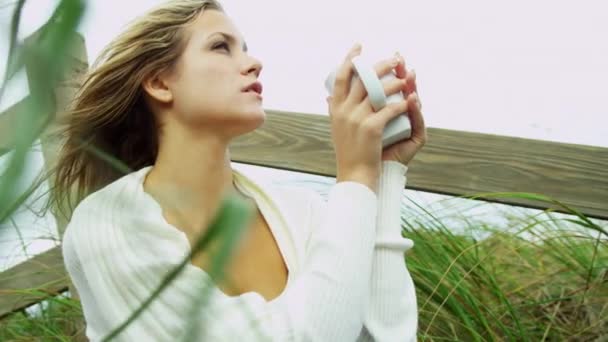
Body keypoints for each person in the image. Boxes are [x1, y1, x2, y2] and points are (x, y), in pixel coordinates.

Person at [52, 0, 427, 340]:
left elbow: (387, 335)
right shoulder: (108, 225)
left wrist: (383, 173)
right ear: (159, 82)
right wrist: (355, 174)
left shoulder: (302, 213)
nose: (253, 62)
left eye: (245, 48)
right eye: (220, 46)